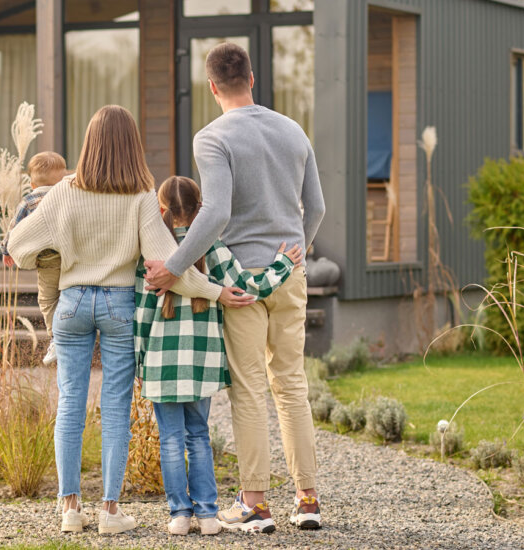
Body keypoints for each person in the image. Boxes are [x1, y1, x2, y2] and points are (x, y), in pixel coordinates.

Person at [7, 106, 254, 535]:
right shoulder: (141, 197)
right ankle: (109, 512)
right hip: (120, 306)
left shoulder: (63, 191)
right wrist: (217, 292)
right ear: (132, 146)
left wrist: (54, 256)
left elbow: (17, 245)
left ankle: (69, 509)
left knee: (70, 403)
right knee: (116, 409)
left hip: (70, 303)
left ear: (89, 144)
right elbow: (169, 267)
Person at [144, 43, 326, 532]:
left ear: (211, 87)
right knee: (291, 386)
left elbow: (217, 211)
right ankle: (307, 499)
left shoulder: (212, 137)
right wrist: (294, 258)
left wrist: (174, 266)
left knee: (249, 391)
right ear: (251, 77)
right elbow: (318, 207)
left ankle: (256, 505)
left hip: (240, 282)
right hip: (289, 274)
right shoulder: (293, 130)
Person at [135, 176, 302, 536]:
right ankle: (209, 515)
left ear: (160, 210)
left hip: (162, 365)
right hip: (203, 362)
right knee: (198, 435)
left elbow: (142, 312)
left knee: (170, 439)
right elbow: (248, 288)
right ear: (201, 211)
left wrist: (140, 361)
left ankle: (180, 515)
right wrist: (283, 264)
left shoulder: (152, 251)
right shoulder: (213, 247)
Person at [1, 151, 67, 366]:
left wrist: (6, 250)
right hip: (71, 256)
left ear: (31, 184)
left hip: (47, 260)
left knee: (48, 299)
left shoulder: (29, 201)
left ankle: (56, 337)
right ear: (63, 178)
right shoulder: (68, 196)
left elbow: (13, 229)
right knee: (67, 295)